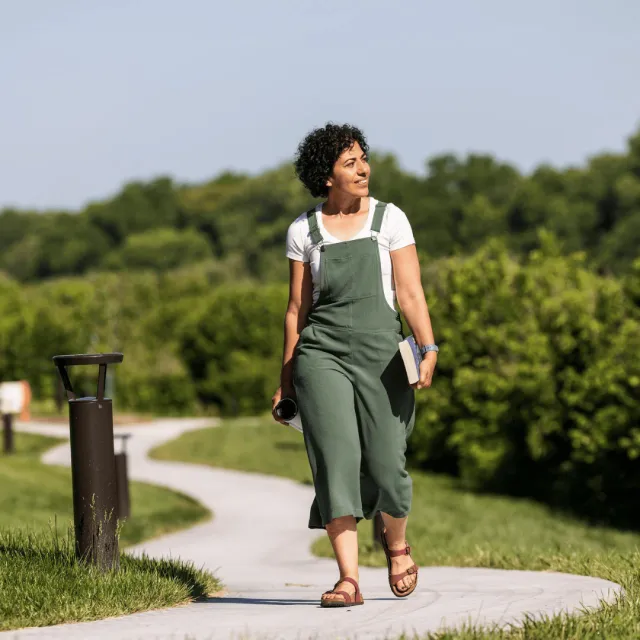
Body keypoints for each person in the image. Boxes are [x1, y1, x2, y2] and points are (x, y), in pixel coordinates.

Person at [272, 123, 438, 608]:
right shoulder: (304, 230)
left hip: (383, 356)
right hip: (320, 356)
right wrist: (286, 380)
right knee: (336, 462)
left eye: (363, 158)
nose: (363, 168)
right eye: (350, 162)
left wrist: (428, 347)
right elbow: (295, 312)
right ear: (327, 176)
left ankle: (397, 543)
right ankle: (348, 578)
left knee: (388, 463)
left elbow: (410, 293)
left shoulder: (390, 220)